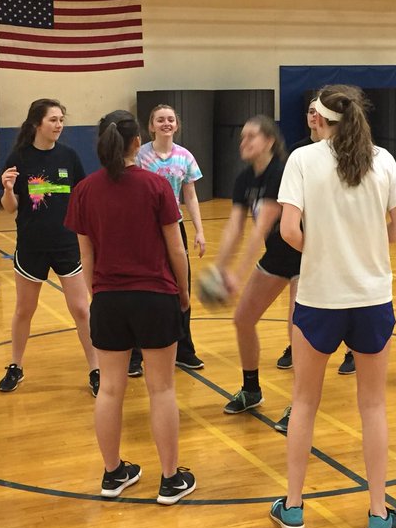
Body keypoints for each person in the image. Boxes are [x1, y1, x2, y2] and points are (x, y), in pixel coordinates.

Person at [271, 85, 396, 528]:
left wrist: (325, 249)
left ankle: (293, 507)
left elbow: (289, 230)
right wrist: (364, 245)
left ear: (320, 116)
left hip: (319, 298)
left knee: (305, 403)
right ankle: (377, 513)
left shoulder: (302, 159)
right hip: (372, 297)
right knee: (373, 406)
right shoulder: (384, 160)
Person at [65, 110, 196, 504]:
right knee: (162, 390)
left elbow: (85, 254)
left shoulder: (85, 190)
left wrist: (96, 294)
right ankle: (171, 480)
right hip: (155, 297)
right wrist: (184, 295)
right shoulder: (156, 186)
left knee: (109, 390)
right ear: (137, 142)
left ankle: (112, 475)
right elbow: (177, 248)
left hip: (108, 299)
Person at [0, 98, 98, 396]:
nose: (58, 125)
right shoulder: (19, 158)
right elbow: (9, 208)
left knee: (81, 309)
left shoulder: (69, 156)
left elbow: (82, 198)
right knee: (24, 310)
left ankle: (96, 369)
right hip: (31, 245)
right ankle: (15, 366)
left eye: (61, 120)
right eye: (53, 120)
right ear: (36, 124)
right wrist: (6, 189)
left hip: (67, 245)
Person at [212, 116, 301, 422]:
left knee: (297, 331)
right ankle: (251, 390)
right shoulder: (245, 178)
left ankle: (300, 406)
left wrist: (237, 275)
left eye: (251, 136)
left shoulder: (282, 172)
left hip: (307, 255)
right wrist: (219, 268)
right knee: (243, 319)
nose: (244, 142)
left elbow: (260, 226)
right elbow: (235, 228)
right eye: (242, 137)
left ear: (269, 142)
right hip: (277, 254)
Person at [276, 96, 354, 379]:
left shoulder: (357, 155)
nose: (312, 116)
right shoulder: (298, 153)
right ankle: (294, 347)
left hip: (340, 244)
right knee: (299, 297)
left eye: (316, 112)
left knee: (345, 297)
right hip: (310, 241)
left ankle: (351, 350)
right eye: (308, 111)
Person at [135, 103, 207, 370]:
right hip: (144, 230)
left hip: (175, 227)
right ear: (151, 126)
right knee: (142, 288)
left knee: (180, 287)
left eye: (171, 119)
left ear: (177, 125)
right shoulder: (141, 156)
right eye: (160, 120)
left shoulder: (185, 156)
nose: (166, 123)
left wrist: (199, 230)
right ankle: (135, 353)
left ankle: (183, 349)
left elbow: (190, 195)